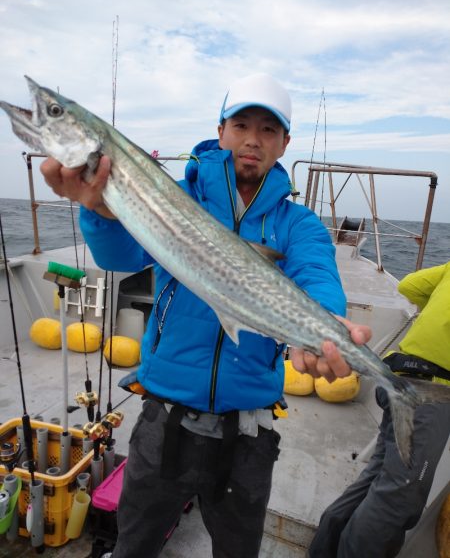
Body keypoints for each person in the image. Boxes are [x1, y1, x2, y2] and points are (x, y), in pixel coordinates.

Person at [40, 73, 371, 558]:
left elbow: (317, 277)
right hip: (163, 421)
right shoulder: (176, 198)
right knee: (135, 545)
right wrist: (99, 210)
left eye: (268, 130)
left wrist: (327, 325)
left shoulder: (297, 224)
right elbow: (121, 256)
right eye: (241, 125)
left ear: (285, 143)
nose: (252, 140)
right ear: (221, 132)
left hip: (248, 435)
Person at [308, 262, 450, 558]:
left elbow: (408, 286)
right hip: (430, 392)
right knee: (400, 496)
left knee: (378, 476)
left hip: (398, 373)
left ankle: (323, 550)